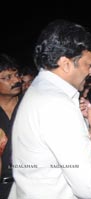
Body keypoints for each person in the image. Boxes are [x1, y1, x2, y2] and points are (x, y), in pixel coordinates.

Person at [10, 19, 91, 199]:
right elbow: (89, 187)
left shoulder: (39, 90)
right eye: (88, 64)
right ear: (66, 64)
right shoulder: (57, 104)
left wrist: (90, 139)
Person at [0, 53, 22, 199]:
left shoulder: (30, 105)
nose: (16, 80)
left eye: (16, 74)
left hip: (29, 187)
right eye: (7, 77)